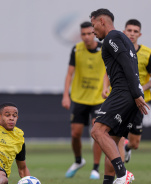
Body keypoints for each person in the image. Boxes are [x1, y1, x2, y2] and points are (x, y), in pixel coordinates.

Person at [90, 9, 150, 184]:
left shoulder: (111, 38)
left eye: (93, 25)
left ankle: (123, 175)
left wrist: (136, 93)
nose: (93, 31)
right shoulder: (125, 40)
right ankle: (109, 181)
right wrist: (137, 93)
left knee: (97, 131)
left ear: (102, 21)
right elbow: (131, 64)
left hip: (123, 92)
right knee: (112, 143)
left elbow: (125, 62)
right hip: (131, 94)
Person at [61, 21, 105, 179]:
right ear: (81, 35)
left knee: (97, 133)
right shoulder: (76, 49)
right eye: (83, 34)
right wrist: (66, 95)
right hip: (79, 98)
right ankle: (78, 161)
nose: (86, 37)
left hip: (98, 98)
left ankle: (95, 168)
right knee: (75, 134)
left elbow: (109, 71)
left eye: (89, 33)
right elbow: (69, 74)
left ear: (94, 34)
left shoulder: (103, 49)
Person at [123, 19, 151, 163]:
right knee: (115, 136)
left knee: (134, 144)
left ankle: (127, 148)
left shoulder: (146, 53)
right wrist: (106, 87)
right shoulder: (118, 50)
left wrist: (141, 88)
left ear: (140, 34)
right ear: (124, 31)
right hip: (120, 99)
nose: (132, 34)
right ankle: (117, 174)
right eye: (129, 30)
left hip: (139, 102)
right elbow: (107, 72)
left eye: (135, 31)